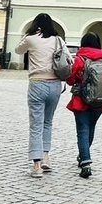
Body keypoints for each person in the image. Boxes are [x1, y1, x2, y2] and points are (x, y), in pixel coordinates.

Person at [14, 13, 65, 177]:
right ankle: (46, 158)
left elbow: (18, 50)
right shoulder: (58, 40)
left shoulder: (31, 38)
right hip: (55, 84)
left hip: (37, 83)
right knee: (47, 122)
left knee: (36, 124)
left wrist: (28, 35)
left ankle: (36, 166)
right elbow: (68, 60)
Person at [65, 33, 102, 179]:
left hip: (81, 100)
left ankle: (86, 163)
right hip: (100, 100)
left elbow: (70, 79)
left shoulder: (80, 59)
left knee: (82, 131)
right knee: (90, 128)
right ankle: (83, 156)